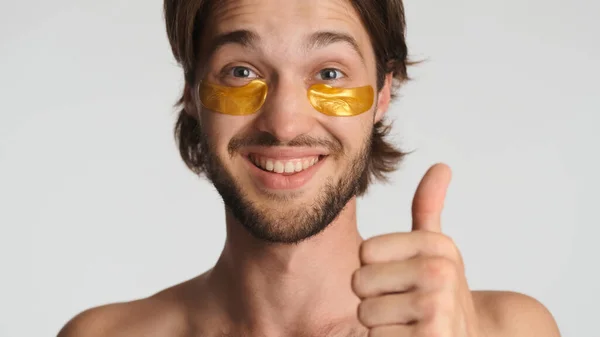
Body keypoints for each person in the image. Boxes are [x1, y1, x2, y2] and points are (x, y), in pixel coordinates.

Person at [58, 0, 561, 336]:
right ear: (192, 93)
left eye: (329, 73)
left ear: (383, 91)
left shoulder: (505, 329)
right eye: (241, 71)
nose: (283, 122)